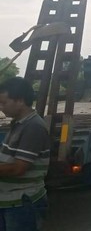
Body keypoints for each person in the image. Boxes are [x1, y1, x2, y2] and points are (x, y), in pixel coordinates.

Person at [0, 77, 50, 230]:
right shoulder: (18, 124)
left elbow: (18, 168)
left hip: (22, 202)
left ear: (20, 101)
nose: (1, 107)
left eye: (4, 103)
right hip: (10, 201)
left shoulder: (33, 127)